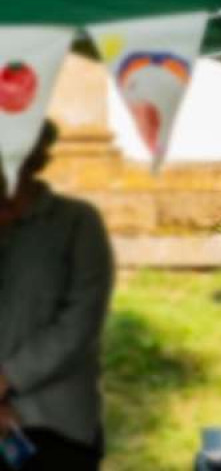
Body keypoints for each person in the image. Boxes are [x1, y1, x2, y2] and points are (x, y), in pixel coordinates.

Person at [0, 121, 115, 471]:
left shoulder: (76, 223)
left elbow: (81, 320)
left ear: (38, 157)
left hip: (56, 424)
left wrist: (8, 378)